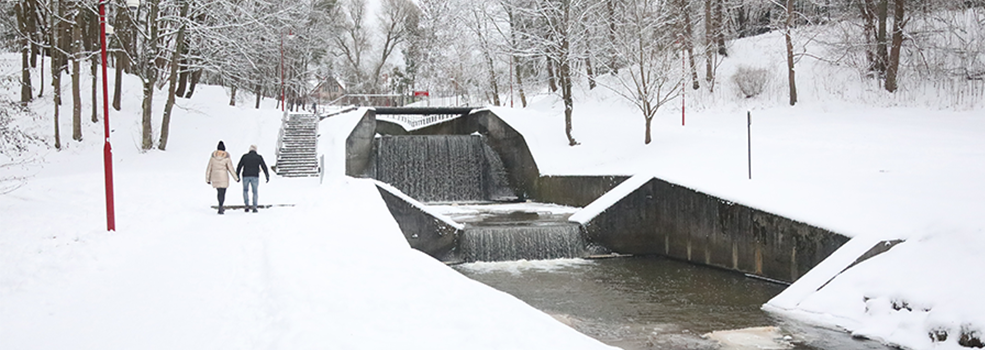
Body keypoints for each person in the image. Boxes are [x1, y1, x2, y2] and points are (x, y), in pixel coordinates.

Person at [206, 141, 239, 214]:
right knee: (223, 192)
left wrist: (207, 179)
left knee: (218, 192)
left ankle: (220, 205)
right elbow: (230, 168)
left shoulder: (213, 158)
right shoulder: (226, 158)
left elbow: (209, 168)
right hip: (223, 177)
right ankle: (221, 205)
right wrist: (236, 178)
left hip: (215, 177)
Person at [236, 144, 270, 213]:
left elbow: (239, 166)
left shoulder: (245, 156)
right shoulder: (258, 157)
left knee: (245, 190)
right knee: (255, 191)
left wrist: (237, 175)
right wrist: (267, 175)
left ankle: (246, 205)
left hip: (245, 175)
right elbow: (264, 166)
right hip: (255, 176)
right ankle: (254, 206)